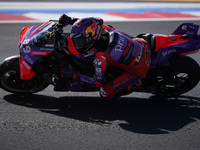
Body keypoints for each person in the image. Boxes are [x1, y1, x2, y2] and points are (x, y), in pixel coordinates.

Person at [59, 14, 151, 98]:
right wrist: (70, 20)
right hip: (141, 43)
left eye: (79, 41)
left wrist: (76, 75)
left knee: (104, 92)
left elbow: (97, 81)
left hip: (139, 69)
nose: (76, 44)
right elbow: (86, 25)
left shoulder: (100, 57)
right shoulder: (103, 29)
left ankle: (135, 84)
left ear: (90, 38)